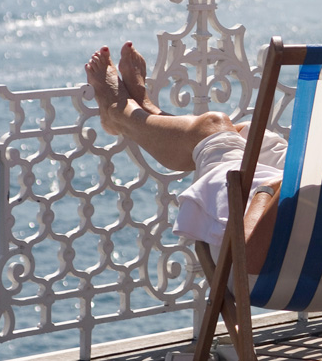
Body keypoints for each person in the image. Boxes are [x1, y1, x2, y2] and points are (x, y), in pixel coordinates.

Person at [85, 42, 283, 274]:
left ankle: (119, 113)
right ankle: (150, 112)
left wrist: (270, 190)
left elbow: (249, 256)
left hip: (268, 262)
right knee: (246, 136)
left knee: (214, 126)